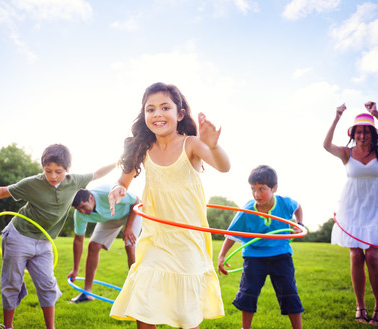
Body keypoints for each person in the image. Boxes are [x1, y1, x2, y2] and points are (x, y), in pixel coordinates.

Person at [107, 82, 230, 329]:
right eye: (150, 109)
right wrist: (117, 188)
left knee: (186, 315)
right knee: (144, 302)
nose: (157, 114)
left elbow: (224, 166)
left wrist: (214, 145)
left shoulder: (192, 144)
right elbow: (123, 180)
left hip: (188, 241)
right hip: (155, 238)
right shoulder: (142, 148)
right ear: (144, 116)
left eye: (165, 107)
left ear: (180, 114)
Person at [0, 144, 116, 329]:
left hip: (45, 241)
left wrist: (119, 162)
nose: (53, 176)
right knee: (12, 283)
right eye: (48, 171)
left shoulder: (74, 180)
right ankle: (8, 326)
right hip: (19, 236)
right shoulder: (33, 183)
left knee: (48, 284)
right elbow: (3, 190)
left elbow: (97, 173)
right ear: (43, 168)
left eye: (58, 171)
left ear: (68, 169)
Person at [323, 102, 378, 326]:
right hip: (351, 208)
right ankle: (360, 306)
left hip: (376, 209)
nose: (363, 134)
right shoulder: (347, 153)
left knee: (373, 257)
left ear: (373, 133)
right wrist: (337, 116)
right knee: (356, 256)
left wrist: (377, 113)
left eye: (366, 130)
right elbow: (326, 145)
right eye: (359, 130)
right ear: (353, 133)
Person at [218, 165, 304, 329]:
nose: (257, 194)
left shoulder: (285, 203)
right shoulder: (247, 210)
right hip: (254, 257)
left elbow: (298, 206)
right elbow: (232, 234)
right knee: (247, 293)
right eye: (253, 189)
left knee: (289, 292)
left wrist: (299, 223)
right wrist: (222, 255)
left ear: (274, 188)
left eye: (262, 189)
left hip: (281, 255)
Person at [68, 185, 142, 304]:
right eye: (78, 209)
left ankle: (138, 291)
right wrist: (75, 269)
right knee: (93, 246)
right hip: (112, 217)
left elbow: (136, 200)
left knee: (129, 245)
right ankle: (87, 293)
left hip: (131, 212)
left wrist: (128, 228)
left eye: (83, 207)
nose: (82, 211)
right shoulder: (80, 214)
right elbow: (78, 240)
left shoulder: (106, 193)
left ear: (91, 198)